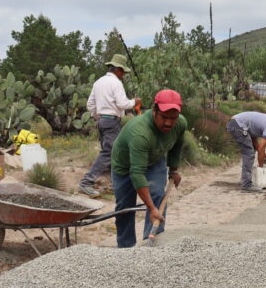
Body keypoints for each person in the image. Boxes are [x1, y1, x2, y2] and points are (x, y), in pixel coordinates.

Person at [110, 89, 186, 248]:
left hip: (155, 159)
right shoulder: (141, 133)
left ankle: (152, 245)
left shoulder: (180, 124)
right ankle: (126, 249)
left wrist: (173, 170)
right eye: (164, 117)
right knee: (125, 208)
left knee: (158, 196)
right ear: (154, 111)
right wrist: (151, 208)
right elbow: (137, 174)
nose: (168, 123)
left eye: (173, 118)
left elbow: (177, 146)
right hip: (125, 164)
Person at [78, 54, 141, 197]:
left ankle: (114, 185)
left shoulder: (98, 82)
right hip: (112, 121)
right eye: (123, 72)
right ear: (118, 69)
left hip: (101, 122)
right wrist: (134, 101)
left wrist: (97, 116)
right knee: (109, 153)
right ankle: (86, 182)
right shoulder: (116, 83)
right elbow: (122, 104)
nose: (123, 75)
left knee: (114, 153)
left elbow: (90, 105)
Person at [227, 111, 266, 191]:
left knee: (251, 151)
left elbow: (253, 137)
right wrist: (261, 169)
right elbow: (261, 149)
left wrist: (262, 153)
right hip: (237, 125)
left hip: (235, 123)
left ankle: (246, 180)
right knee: (249, 153)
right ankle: (246, 184)